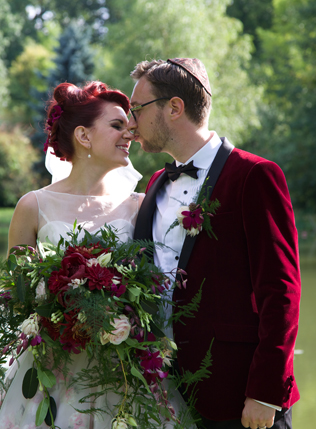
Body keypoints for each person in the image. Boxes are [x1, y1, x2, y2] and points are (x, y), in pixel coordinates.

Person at [0, 81, 157, 429]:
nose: (129, 133)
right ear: (84, 136)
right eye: (117, 125)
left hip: (119, 370)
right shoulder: (33, 206)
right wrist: (60, 303)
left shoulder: (141, 206)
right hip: (51, 370)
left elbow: (154, 289)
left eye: (129, 125)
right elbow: (18, 295)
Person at [130, 58, 301, 429]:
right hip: (165, 398)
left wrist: (265, 391)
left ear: (174, 108)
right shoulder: (156, 182)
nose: (131, 122)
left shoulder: (254, 175)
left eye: (137, 109)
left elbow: (281, 291)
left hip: (239, 398)